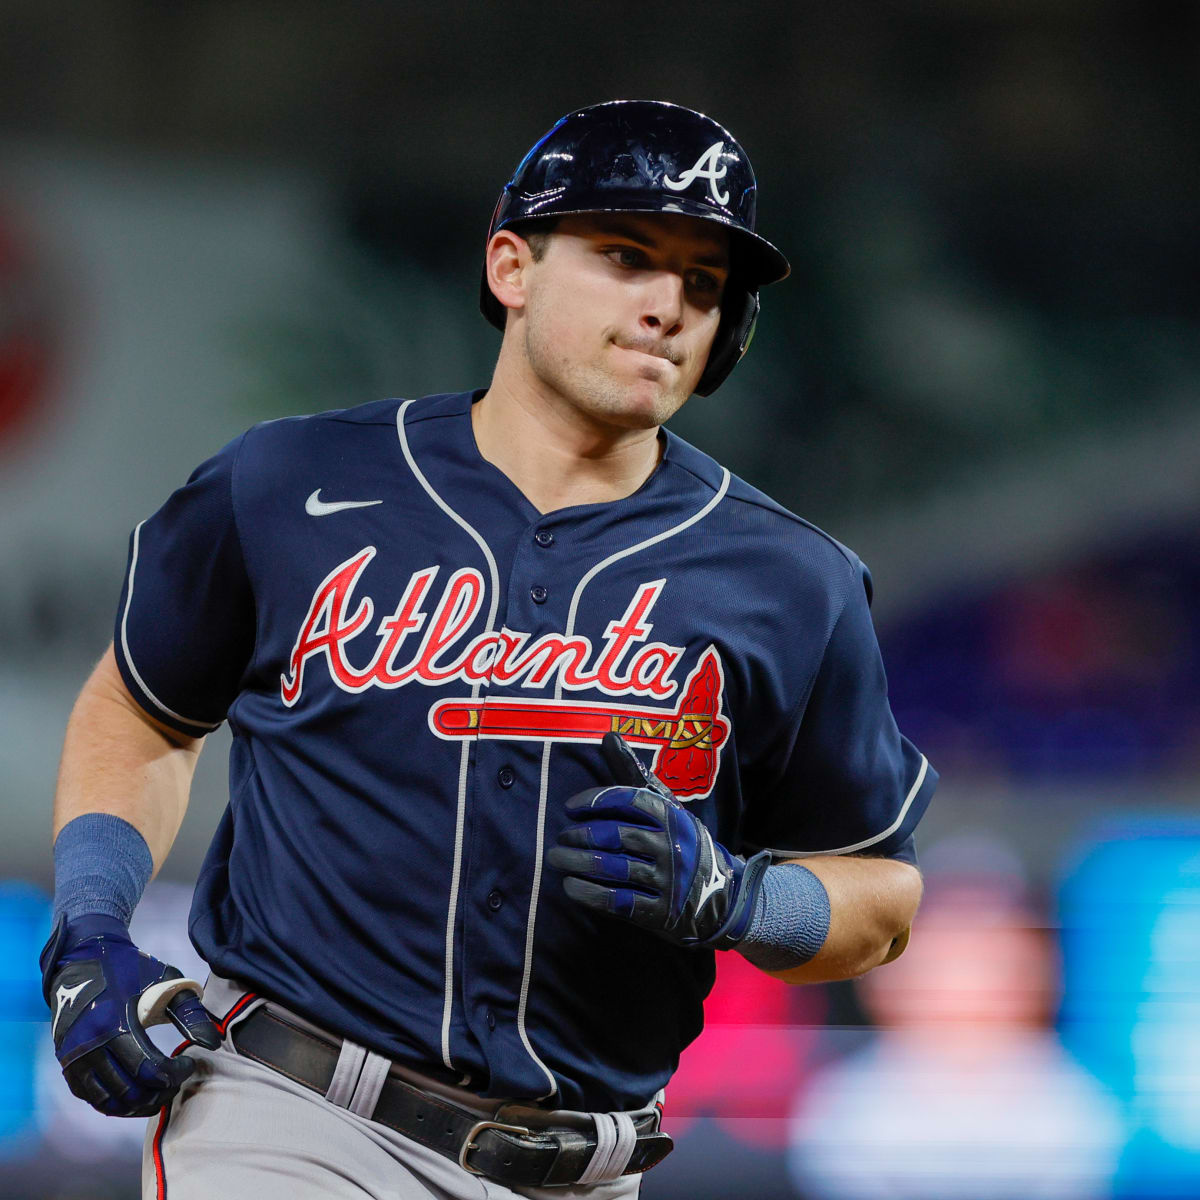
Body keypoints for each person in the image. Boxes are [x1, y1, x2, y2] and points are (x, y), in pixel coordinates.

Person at [40, 100, 936, 1199]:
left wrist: (743, 900)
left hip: (587, 1167)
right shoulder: (286, 484)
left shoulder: (793, 581)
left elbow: (883, 897)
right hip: (293, 1116)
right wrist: (89, 927)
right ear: (512, 267)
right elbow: (141, 712)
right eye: (626, 256)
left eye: (704, 284)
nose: (667, 305)